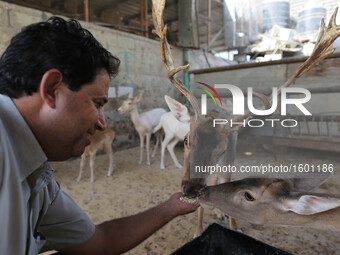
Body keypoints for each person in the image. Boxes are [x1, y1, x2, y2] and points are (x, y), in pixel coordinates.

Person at [0, 17, 199, 255]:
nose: (102, 124)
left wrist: (171, 207)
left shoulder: (40, 179)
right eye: (97, 103)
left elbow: (98, 241)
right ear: (52, 89)